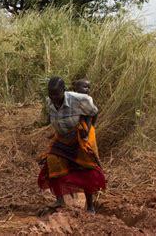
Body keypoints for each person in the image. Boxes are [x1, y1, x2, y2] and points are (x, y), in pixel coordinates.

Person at [38, 77, 105, 213]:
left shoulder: (78, 99)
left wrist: (89, 128)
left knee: (86, 168)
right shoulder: (49, 102)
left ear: (64, 90)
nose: (53, 97)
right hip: (62, 138)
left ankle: (90, 207)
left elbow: (94, 112)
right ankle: (60, 200)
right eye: (50, 93)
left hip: (80, 136)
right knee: (53, 161)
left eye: (56, 93)